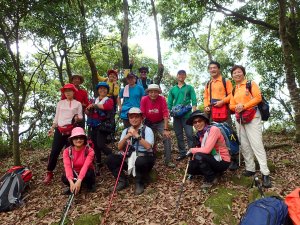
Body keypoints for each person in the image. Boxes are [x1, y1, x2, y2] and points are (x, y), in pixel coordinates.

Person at [229, 65, 271, 188]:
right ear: (232, 76)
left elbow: (258, 97)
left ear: (243, 73)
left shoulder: (250, 83)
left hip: (253, 117)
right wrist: (236, 107)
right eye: (234, 73)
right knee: (244, 144)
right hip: (239, 118)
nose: (237, 74)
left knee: (257, 144)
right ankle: (250, 168)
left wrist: (244, 105)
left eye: (239, 72)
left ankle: (265, 173)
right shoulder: (234, 89)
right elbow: (231, 105)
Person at [106, 107, 155, 195]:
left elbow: (148, 147)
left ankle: (139, 183)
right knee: (110, 158)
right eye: (131, 117)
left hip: (144, 158)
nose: (134, 119)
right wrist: (126, 137)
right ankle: (122, 181)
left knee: (140, 161)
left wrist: (137, 135)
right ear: (128, 119)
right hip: (129, 157)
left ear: (141, 118)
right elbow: (119, 147)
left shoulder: (147, 130)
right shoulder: (126, 131)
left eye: (136, 117)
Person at [44, 83, 83, 184]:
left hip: (72, 130)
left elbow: (81, 117)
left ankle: (69, 171)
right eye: (66, 91)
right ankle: (49, 171)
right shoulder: (60, 103)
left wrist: (78, 118)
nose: (68, 93)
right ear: (64, 93)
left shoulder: (78, 103)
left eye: (70, 91)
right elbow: (56, 117)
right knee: (55, 151)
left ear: (74, 92)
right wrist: (52, 128)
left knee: (70, 152)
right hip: (60, 130)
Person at [203, 61, 238, 170]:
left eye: (214, 68)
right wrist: (206, 106)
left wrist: (222, 102)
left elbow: (231, 95)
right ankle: (217, 156)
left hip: (224, 110)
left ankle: (234, 158)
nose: (212, 70)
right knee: (212, 133)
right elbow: (206, 97)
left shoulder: (225, 81)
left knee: (228, 132)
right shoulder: (208, 83)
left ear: (218, 69)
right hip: (212, 111)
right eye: (210, 68)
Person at [186, 110, 231, 188]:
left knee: (199, 156)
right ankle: (215, 172)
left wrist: (191, 150)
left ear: (205, 121)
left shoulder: (213, 129)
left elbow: (207, 150)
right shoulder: (201, 135)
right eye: (195, 122)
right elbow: (201, 150)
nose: (197, 124)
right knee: (191, 169)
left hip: (222, 160)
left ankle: (210, 179)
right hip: (212, 158)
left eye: (199, 121)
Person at [140, 84, 175, 168]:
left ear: (158, 92)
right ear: (148, 92)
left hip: (160, 122)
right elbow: (142, 114)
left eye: (155, 92)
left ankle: (168, 160)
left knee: (167, 138)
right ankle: (150, 157)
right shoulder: (144, 99)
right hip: (148, 122)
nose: (153, 94)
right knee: (149, 139)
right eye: (151, 92)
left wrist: (166, 129)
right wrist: (141, 127)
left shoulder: (162, 99)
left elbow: (165, 113)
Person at [167, 70, 197, 161]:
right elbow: (169, 103)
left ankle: (192, 152)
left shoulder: (189, 88)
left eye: (183, 74)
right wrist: (168, 113)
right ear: (177, 76)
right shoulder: (173, 89)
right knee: (178, 135)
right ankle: (182, 153)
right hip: (176, 116)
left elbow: (194, 100)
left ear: (185, 76)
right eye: (179, 74)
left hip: (187, 115)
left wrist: (194, 113)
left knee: (189, 134)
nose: (181, 76)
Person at [85, 82, 114, 174]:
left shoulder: (108, 100)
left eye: (105, 89)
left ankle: (113, 157)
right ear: (98, 90)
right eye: (100, 89)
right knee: (95, 146)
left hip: (103, 126)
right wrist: (88, 109)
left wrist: (94, 106)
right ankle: (98, 163)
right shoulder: (93, 100)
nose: (102, 90)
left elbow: (107, 107)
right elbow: (87, 113)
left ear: (107, 91)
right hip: (93, 125)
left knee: (100, 144)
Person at [62, 127, 95, 194]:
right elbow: (67, 166)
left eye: (81, 137)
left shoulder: (89, 150)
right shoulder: (67, 151)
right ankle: (73, 187)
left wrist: (79, 180)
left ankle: (89, 185)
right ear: (72, 139)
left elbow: (86, 166)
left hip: (86, 172)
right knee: (64, 177)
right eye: (76, 138)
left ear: (84, 139)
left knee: (89, 174)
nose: (78, 140)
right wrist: (71, 182)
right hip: (75, 172)